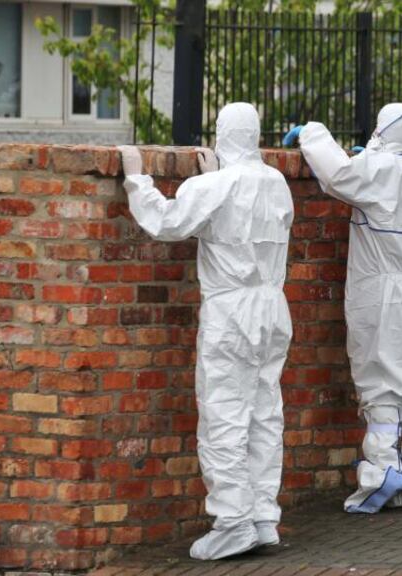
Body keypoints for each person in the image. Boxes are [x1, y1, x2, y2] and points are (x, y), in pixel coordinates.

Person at [117, 102, 294, 560]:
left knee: (224, 416)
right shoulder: (276, 183)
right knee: (263, 414)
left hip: (232, 309)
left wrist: (138, 179)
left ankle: (233, 521)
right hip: (273, 305)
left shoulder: (215, 184)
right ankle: (262, 515)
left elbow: (168, 222)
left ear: (222, 134)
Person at [283, 103, 402, 513]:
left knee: (379, 380)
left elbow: (338, 175)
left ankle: (381, 470)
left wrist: (312, 133)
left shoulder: (381, 170)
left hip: (383, 290)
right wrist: (370, 157)